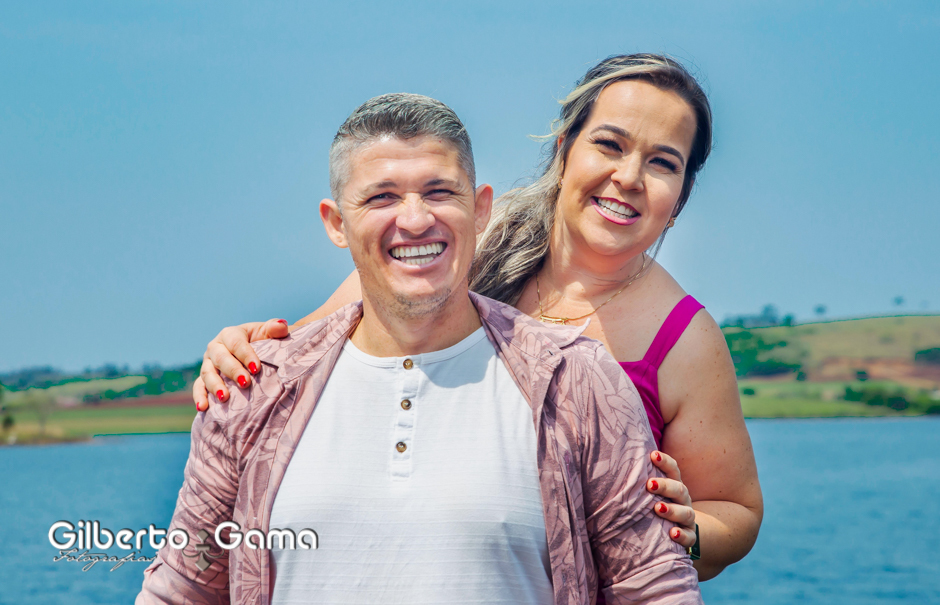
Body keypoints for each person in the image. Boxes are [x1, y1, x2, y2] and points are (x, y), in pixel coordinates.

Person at [195, 54, 763, 581]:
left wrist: (686, 535)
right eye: (609, 145)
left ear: (681, 195)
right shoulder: (455, 242)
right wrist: (236, 350)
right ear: (564, 150)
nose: (629, 177)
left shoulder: (684, 338)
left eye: (663, 163)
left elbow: (735, 510)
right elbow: (306, 350)